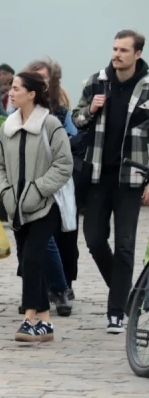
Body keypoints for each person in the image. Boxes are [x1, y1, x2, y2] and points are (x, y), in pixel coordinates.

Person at [0, 58, 76, 317]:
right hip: (16, 206)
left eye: (16, 89)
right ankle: (42, 318)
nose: (10, 93)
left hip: (45, 205)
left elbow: (64, 164)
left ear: (31, 94)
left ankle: (33, 315)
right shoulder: (8, 126)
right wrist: (4, 190)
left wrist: (37, 190)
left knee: (34, 256)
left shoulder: (51, 124)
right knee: (27, 260)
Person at [73, 29, 149, 334]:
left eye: (123, 50)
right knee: (93, 240)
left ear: (137, 54)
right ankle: (126, 294)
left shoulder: (147, 87)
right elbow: (76, 119)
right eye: (115, 49)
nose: (116, 54)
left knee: (125, 245)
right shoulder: (97, 81)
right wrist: (91, 109)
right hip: (97, 176)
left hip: (132, 178)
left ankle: (116, 312)